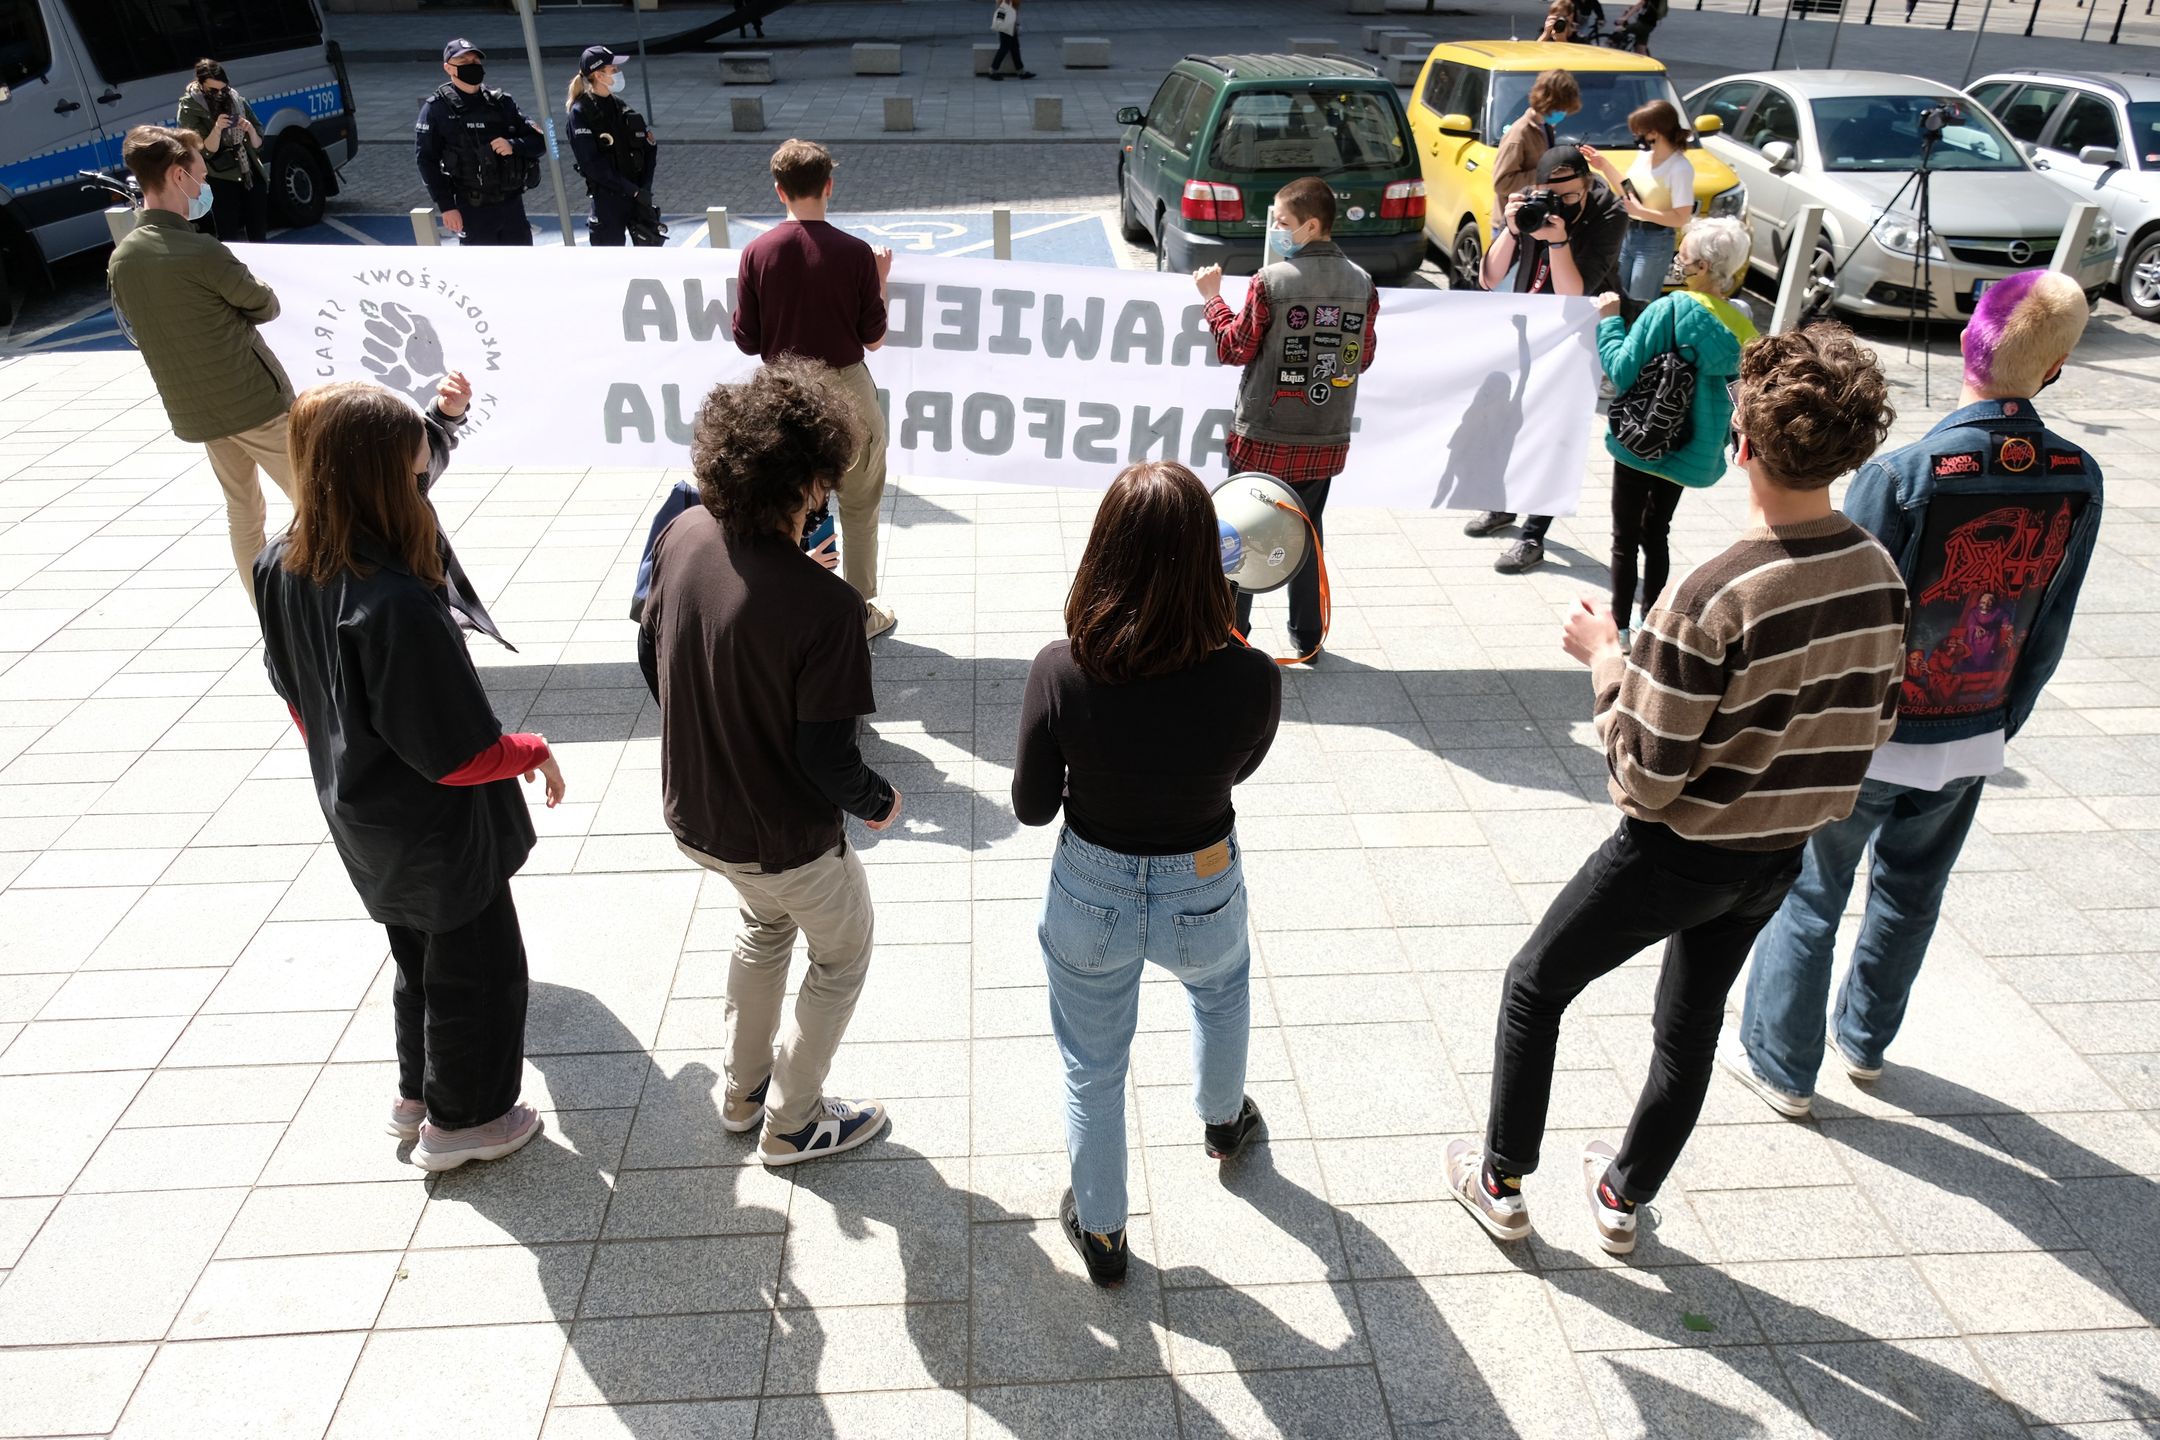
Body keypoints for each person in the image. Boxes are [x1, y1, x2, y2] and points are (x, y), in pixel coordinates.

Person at [1444, 324, 1907, 1257]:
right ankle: (1624, 1196)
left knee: (1535, 985)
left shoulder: (1712, 593)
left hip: (1675, 851)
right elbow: (1876, 724)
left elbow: (1645, 780)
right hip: (1779, 854)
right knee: (1688, 1027)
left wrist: (1608, 666)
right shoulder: (1881, 578)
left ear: (1739, 444)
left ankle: (1500, 1176)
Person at [1727, 271, 2105, 1117]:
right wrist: (2005, 719)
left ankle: (1782, 1062)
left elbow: (1844, 606)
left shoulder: (1907, 471)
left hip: (1870, 728)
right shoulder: (2079, 476)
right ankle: (1864, 1040)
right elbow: (2052, 621)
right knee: (1911, 891)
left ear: (1970, 340)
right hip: (1975, 722)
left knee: (1813, 888)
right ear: (2054, 369)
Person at [255, 378, 564, 1173]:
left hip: (359, 807)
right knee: (481, 973)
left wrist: (341, 748)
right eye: (414, 457)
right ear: (380, 474)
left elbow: (295, 690)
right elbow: (457, 753)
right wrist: (531, 750)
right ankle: (464, 1122)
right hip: (434, 827)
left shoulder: (280, 562)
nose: (424, 467)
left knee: (418, 956)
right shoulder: (393, 601)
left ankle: (417, 1094)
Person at [1012, 460, 1283, 1286]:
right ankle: (1222, 1122)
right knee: (1222, 990)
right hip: (1201, 873)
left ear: (1104, 552)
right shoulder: (1253, 676)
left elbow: (1030, 806)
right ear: (1212, 558)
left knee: (1093, 1066)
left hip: (1091, 884)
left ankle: (1102, 1235)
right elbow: (1238, 773)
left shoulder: (1061, 669)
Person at [638, 358, 901, 1168]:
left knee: (762, 928)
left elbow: (655, 655)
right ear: (812, 481)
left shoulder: (682, 535)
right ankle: (793, 1123)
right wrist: (878, 799)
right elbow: (828, 756)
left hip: (698, 815)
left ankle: (740, 1092)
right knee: (841, 954)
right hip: (785, 836)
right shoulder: (827, 610)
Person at [1194, 175, 1380, 663]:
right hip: (1325, 436)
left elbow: (1234, 347)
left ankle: (1232, 637)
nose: (1275, 229)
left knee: (1239, 532)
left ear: (1311, 225)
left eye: (1282, 222)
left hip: (1264, 436)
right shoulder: (1362, 284)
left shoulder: (1270, 282)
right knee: (1308, 532)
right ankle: (1308, 636)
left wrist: (1212, 298)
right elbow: (1362, 358)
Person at [107, 125, 294, 600]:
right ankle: (337, 602)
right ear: (177, 175)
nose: (204, 185)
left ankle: (264, 606)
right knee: (318, 503)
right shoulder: (201, 250)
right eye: (201, 175)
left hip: (199, 410)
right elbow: (264, 305)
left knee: (243, 511)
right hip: (253, 401)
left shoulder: (123, 256)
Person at [732, 138, 898, 638]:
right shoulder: (853, 254)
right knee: (860, 502)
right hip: (846, 385)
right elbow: (874, 337)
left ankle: (788, 603)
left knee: (785, 501)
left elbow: (747, 340)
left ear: (780, 191)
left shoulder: (757, 252)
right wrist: (880, 279)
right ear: (828, 186)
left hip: (781, 390)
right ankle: (858, 612)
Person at [1593, 217, 1757, 641]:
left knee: (1623, 538)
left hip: (1638, 441)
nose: (1677, 261)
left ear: (1701, 265)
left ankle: (1620, 629)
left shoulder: (1667, 309)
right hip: (1690, 452)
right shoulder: (1744, 332)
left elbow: (1621, 371)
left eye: (1683, 256)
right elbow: (1743, 405)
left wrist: (1609, 321)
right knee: (1658, 532)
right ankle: (1652, 627)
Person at [1468, 143, 1628, 574]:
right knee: (1509, 422)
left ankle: (1533, 534)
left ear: (1588, 184)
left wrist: (1558, 242)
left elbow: (1574, 294)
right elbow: (1489, 277)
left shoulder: (1608, 213)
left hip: (1580, 333)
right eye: (1549, 194)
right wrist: (1512, 227)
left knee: (1553, 433)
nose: (1559, 204)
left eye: (1570, 196)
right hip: (1529, 327)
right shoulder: (1531, 207)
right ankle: (1502, 504)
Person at [416, 39, 546, 246]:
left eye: (475, 60)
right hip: (472, 207)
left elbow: (540, 142)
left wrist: (514, 145)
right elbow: (426, 161)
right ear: (448, 68)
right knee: (481, 272)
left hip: (512, 205)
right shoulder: (436, 109)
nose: (472, 65)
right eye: (464, 60)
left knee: (522, 270)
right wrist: (447, 206)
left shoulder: (502, 103)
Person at [1581, 100, 1696, 321]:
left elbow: (1681, 217)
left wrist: (1643, 212)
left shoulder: (1679, 168)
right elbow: (1629, 190)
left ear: (1655, 132)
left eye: (1639, 132)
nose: (1636, 137)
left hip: (1654, 241)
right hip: (1628, 234)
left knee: (1639, 304)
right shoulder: (1645, 156)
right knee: (1614, 296)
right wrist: (1603, 165)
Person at [566, 46, 663, 247]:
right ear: (598, 75)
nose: (618, 74)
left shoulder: (622, 107)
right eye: (614, 70)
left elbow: (649, 149)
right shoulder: (581, 113)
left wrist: (644, 188)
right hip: (608, 202)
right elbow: (592, 165)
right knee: (610, 265)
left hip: (636, 198)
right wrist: (633, 190)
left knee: (650, 258)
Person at [175, 59, 266, 243]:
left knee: (259, 232)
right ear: (201, 85)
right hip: (219, 175)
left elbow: (258, 143)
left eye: (223, 89)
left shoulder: (235, 98)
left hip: (248, 169)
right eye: (213, 91)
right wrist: (217, 129)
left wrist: (249, 129)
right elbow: (202, 150)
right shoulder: (190, 106)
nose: (220, 95)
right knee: (228, 235)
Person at [1491, 70, 1581, 217]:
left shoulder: (1546, 127)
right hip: (1512, 222)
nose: (1563, 113)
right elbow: (1502, 184)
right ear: (1548, 102)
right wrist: (1545, 174)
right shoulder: (1518, 134)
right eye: (1561, 108)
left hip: (1536, 216)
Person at [986, 0, 1034, 80]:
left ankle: (1021, 71)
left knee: (1014, 47)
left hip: (1008, 22)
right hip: (1007, 23)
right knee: (1004, 47)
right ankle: (992, 71)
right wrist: (1014, 23)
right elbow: (1007, 8)